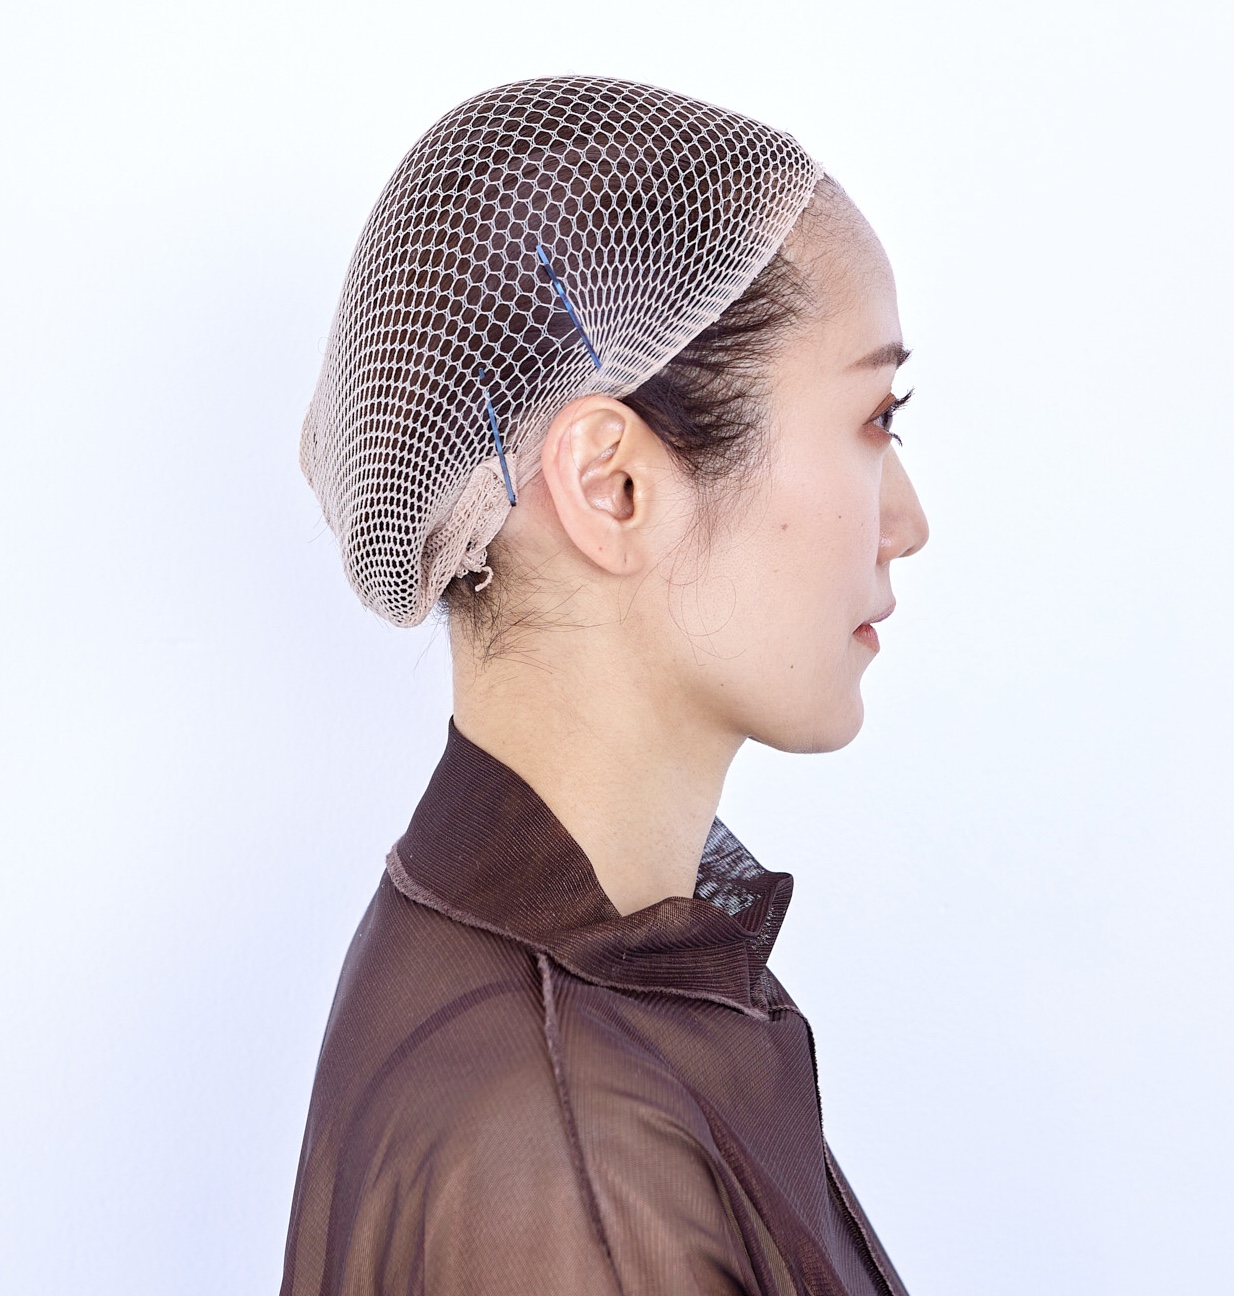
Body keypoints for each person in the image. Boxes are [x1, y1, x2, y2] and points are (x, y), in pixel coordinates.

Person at [281, 75, 928, 1296]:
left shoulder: (596, 986)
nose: (908, 522)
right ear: (611, 487)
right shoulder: (566, 1153)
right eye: (874, 418)